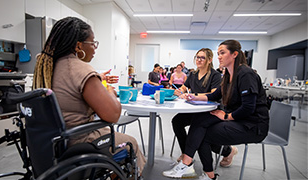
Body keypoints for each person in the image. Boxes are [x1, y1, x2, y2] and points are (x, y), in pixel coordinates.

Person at [32, 17, 146, 175]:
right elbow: (113, 115)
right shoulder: (81, 69)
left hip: (50, 146)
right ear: (79, 46)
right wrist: (109, 92)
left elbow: (68, 86)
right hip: (79, 143)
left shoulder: (48, 66)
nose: (95, 48)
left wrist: (98, 78)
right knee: (131, 142)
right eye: (93, 43)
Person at [163, 40, 269, 180]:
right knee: (199, 122)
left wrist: (226, 116)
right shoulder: (227, 75)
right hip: (238, 119)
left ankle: (198, 170)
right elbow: (214, 95)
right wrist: (192, 97)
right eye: (218, 53)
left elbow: (248, 108)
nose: (219, 56)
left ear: (234, 54)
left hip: (253, 125)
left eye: (222, 53)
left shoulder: (245, 74)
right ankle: (194, 167)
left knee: (203, 134)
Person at [171, 48, 234, 170]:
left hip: (210, 111)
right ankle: (186, 153)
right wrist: (180, 91)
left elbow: (214, 94)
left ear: (209, 60)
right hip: (195, 109)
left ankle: (228, 151)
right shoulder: (193, 74)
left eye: (202, 57)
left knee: (202, 134)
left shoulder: (215, 75)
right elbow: (185, 87)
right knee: (176, 121)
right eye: (197, 57)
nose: (199, 60)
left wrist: (193, 96)